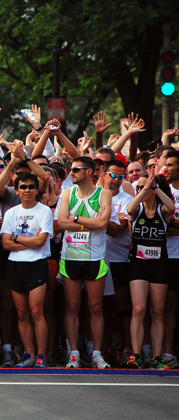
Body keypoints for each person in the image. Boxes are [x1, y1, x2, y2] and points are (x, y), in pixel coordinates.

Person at [58, 156, 112, 369]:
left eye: (75, 169)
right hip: (70, 257)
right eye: (71, 169)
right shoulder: (67, 193)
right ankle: (73, 354)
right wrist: (89, 224)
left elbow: (103, 223)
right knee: (72, 306)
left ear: (89, 171)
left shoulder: (103, 194)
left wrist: (76, 218)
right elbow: (62, 223)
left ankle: (96, 354)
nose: (71, 173)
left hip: (94, 257)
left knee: (95, 307)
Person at [1, 172, 53, 368]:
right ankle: (29, 354)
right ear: (16, 191)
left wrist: (16, 238)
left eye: (31, 186)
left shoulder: (44, 211)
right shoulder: (11, 213)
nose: (27, 190)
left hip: (37, 264)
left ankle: (41, 355)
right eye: (23, 187)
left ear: (37, 190)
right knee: (22, 313)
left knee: (37, 311)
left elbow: (41, 242)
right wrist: (30, 241)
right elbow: (6, 244)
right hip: (15, 265)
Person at [124, 174, 174, 369]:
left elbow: (171, 207)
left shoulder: (162, 210)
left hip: (159, 264)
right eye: (139, 187)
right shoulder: (137, 210)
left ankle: (156, 357)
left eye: (145, 187)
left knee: (158, 311)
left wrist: (156, 188)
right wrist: (144, 189)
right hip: (138, 263)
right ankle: (135, 355)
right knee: (138, 309)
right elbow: (129, 209)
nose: (141, 190)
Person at [101, 160, 134, 365]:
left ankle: (126, 346)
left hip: (119, 258)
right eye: (113, 175)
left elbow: (117, 229)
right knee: (100, 306)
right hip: (97, 256)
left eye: (121, 177)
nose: (116, 180)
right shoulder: (94, 195)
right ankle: (102, 348)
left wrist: (98, 219)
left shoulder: (127, 199)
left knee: (122, 304)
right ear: (103, 174)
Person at [162, 151, 179, 369]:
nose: (166, 168)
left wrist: (172, 222)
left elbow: (169, 221)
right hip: (169, 256)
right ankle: (168, 352)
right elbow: (163, 225)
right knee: (168, 306)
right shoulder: (164, 191)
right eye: (165, 164)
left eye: (171, 165)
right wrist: (170, 223)